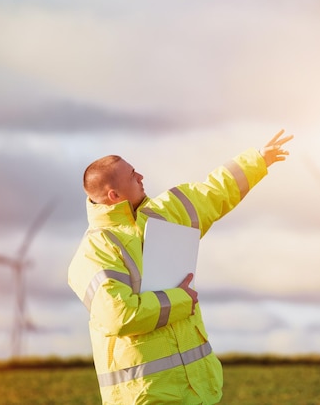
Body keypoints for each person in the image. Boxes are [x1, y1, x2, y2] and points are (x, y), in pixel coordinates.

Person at [68, 129, 293, 404]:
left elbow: (214, 192)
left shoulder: (168, 212)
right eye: (132, 175)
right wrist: (180, 300)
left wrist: (258, 160)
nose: (141, 177)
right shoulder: (94, 252)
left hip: (198, 390)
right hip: (146, 396)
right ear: (114, 194)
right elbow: (119, 316)